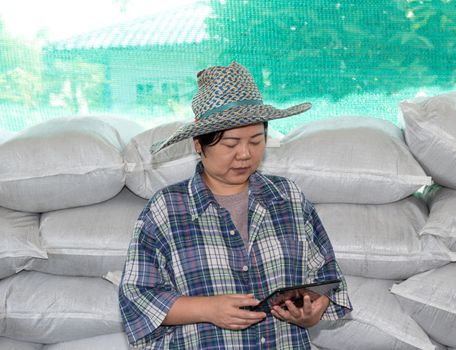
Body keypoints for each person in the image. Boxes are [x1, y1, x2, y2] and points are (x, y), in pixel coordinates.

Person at [119, 62, 352, 349]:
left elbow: (325, 275)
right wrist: (208, 310)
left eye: (256, 140)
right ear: (198, 144)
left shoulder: (288, 198)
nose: (245, 154)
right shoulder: (167, 209)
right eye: (231, 144)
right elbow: (137, 295)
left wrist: (311, 313)